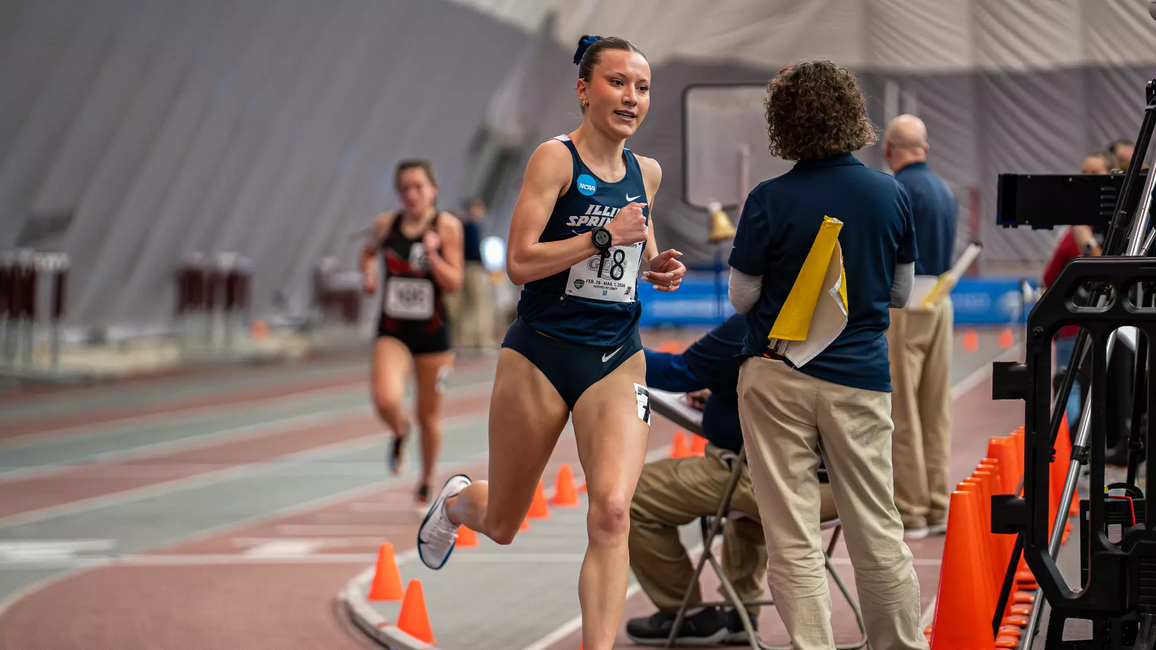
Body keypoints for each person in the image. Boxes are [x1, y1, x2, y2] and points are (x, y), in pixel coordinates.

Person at [414, 35, 686, 650]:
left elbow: (634, 244)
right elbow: (518, 261)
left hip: (617, 355)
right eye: (618, 83)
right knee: (505, 521)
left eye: (642, 87)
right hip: (540, 350)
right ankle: (459, 505)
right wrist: (601, 237)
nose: (631, 97)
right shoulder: (554, 160)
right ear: (586, 90)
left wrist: (653, 267)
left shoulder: (648, 173)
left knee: (613, 513)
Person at [728, 60, 926, 649]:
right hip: (860, 377)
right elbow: (899, 294)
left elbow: (742, 298)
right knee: (876, 525)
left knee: (791, 533)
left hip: (776, 375)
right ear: (853, 115)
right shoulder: (890, 192)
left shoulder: (768, 197)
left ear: (782, 122)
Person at [624, 314, 839, 645]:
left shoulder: (757, 321)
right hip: (838, 487)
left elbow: (674, 372)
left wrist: (613, 345)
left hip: (768, 481)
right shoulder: (843, 322)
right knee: (748, 485)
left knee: (630, 496)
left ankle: (687, 615)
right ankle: (741, 612)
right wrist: (729, 396)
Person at [360, 160, 464, 510]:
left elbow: (454, 282)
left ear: (433, 189)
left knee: (429, 415)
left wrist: (433, 255)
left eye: (418, 187)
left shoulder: (447, 226)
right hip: (393, 330)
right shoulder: (386, 224)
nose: (412, 194)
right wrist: (369, 275)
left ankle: (425, 481)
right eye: (405, 188)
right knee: (386, 399)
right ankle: (399, 430)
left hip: (434, 336)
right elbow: (367, 253)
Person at [882, 114, 957, 539]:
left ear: (889, 151)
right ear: (924, 149)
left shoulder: (897, 189)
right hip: (940, 301)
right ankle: (937, 505)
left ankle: (910, 509)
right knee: (935, 409)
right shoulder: (944, 190)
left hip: (906, 303)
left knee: (904, 412)